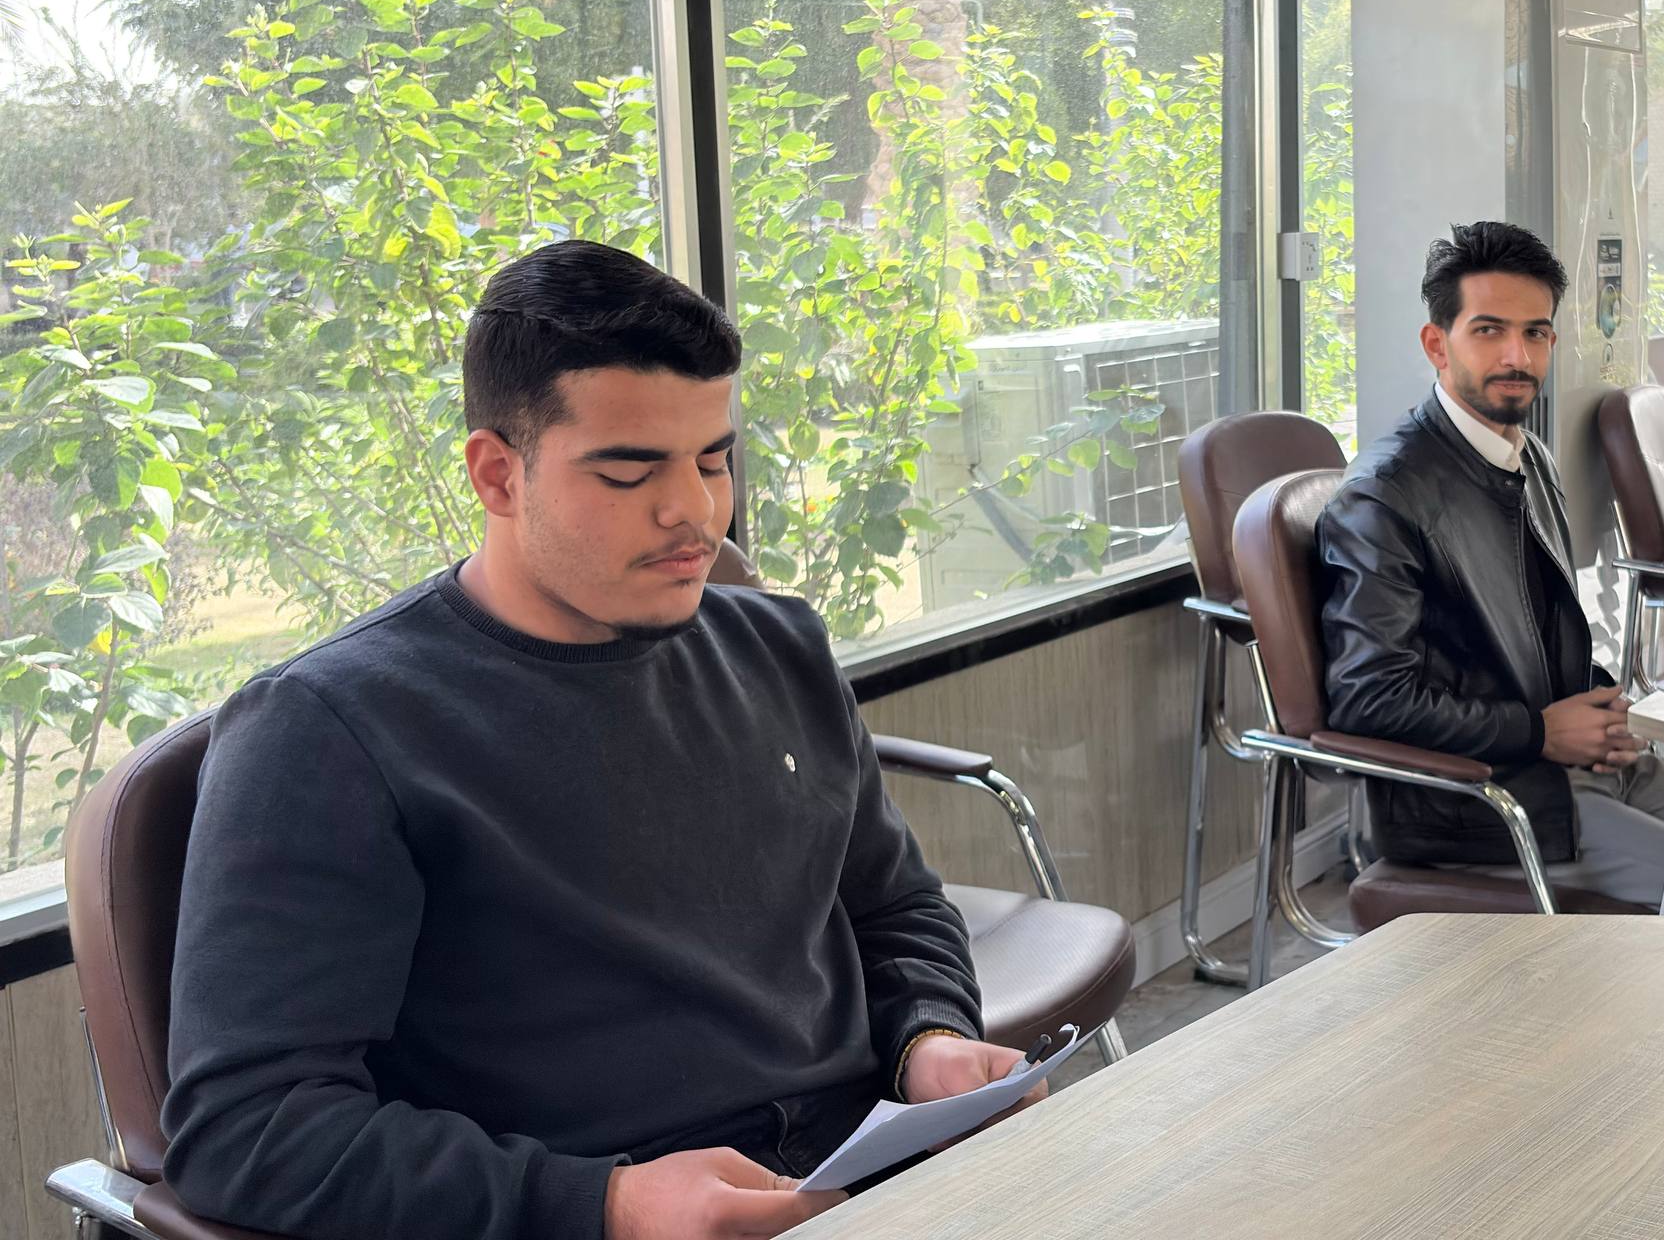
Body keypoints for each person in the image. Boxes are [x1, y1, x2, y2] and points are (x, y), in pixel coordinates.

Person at [160, 241, 1035, 1240]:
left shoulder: (775, 646)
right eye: (628, 472)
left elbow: (893, 906)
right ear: (497, 474)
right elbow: (248, 1132)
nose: (695, 513)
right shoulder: (331, 733)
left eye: (714, 460)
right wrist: (606, 1202)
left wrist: (929, 1036)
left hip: (870, 1172)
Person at [1316, 220, 1664, 916]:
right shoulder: (1386, 495)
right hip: (1480, 800)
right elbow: (1367, 700)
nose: (1517, 355)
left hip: (1576, 765)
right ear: (1437, 343)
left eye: (1535, 332)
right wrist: (1539, 731)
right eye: (1488, 331)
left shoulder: (1530, 459)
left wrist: (1605, 707)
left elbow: (1536, 640)